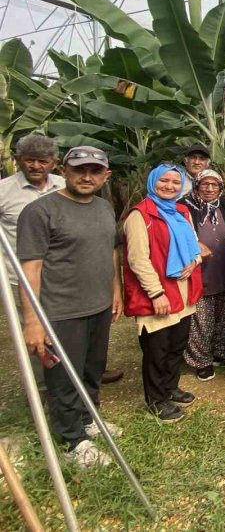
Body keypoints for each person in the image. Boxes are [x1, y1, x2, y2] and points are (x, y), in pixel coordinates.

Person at [17, 146, 121, 468]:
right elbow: (30, 269)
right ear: (63, 171)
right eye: (79, 170)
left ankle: (88, 419)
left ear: (106, 175)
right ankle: (72, 440)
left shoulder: (104, 207)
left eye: (94, 171)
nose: (86, 177)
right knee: (64, 377)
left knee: (92, 368)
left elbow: (110, 252)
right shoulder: (40, 212)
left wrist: (115, 291)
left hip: (99, 305)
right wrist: (32, 321)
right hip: (61, 310)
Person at [123, 164, 203, 422]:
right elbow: (137, 259)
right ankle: (156, 399)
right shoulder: (140, 215)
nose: (170, 186)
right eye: (164, 181)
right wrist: (156, 293)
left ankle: (170, 387)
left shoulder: (182, 211)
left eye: (175, 182)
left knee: (177, 344)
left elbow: (194, 244)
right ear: (153, 182)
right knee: (157, 349)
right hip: (158, 292)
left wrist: (194, 261)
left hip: (183, 289)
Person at [1, 134, 64, 386]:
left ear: (54, 163)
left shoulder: (63, 185)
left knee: (66, 329)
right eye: (29, 160)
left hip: (62, 276)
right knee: (35, 334)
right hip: (22, 279)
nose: (36, 166)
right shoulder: (4, 191)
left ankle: (73, 378)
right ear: (17, 160)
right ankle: (43, 388)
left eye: (43, 161)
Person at [180, 169, 225, 381]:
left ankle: (222, 351)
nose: (210, 189)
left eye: (215, 185)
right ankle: (201, 361)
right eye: (205, 184)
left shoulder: (224, 204)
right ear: (196, 186)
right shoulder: (185, 207)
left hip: (224, 267)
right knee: (201, 319)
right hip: (200, 270)